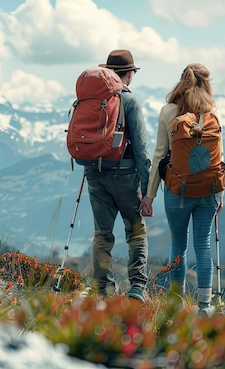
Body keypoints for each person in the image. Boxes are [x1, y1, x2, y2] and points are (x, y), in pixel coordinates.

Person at [140, 62, 223, 317]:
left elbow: (158, 155)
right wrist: (220, 195)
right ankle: (205, 307)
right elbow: (219, 157)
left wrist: (149, 194)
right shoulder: (212, 112)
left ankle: (176, 303)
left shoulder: (168, 111)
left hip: (177, 191)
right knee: (203, 244)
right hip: (209, 189)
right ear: (206, 84)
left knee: (179, 244)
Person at [86, 49, 151, 302]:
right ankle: (137, 288)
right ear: (129, 74)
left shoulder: (93, 99)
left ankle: (104, 291)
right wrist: (148, 192)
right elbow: (143, 149)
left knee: (102, 234)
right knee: (135, 231)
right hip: (125, 175)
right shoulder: (130, 102)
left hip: (94, 173)